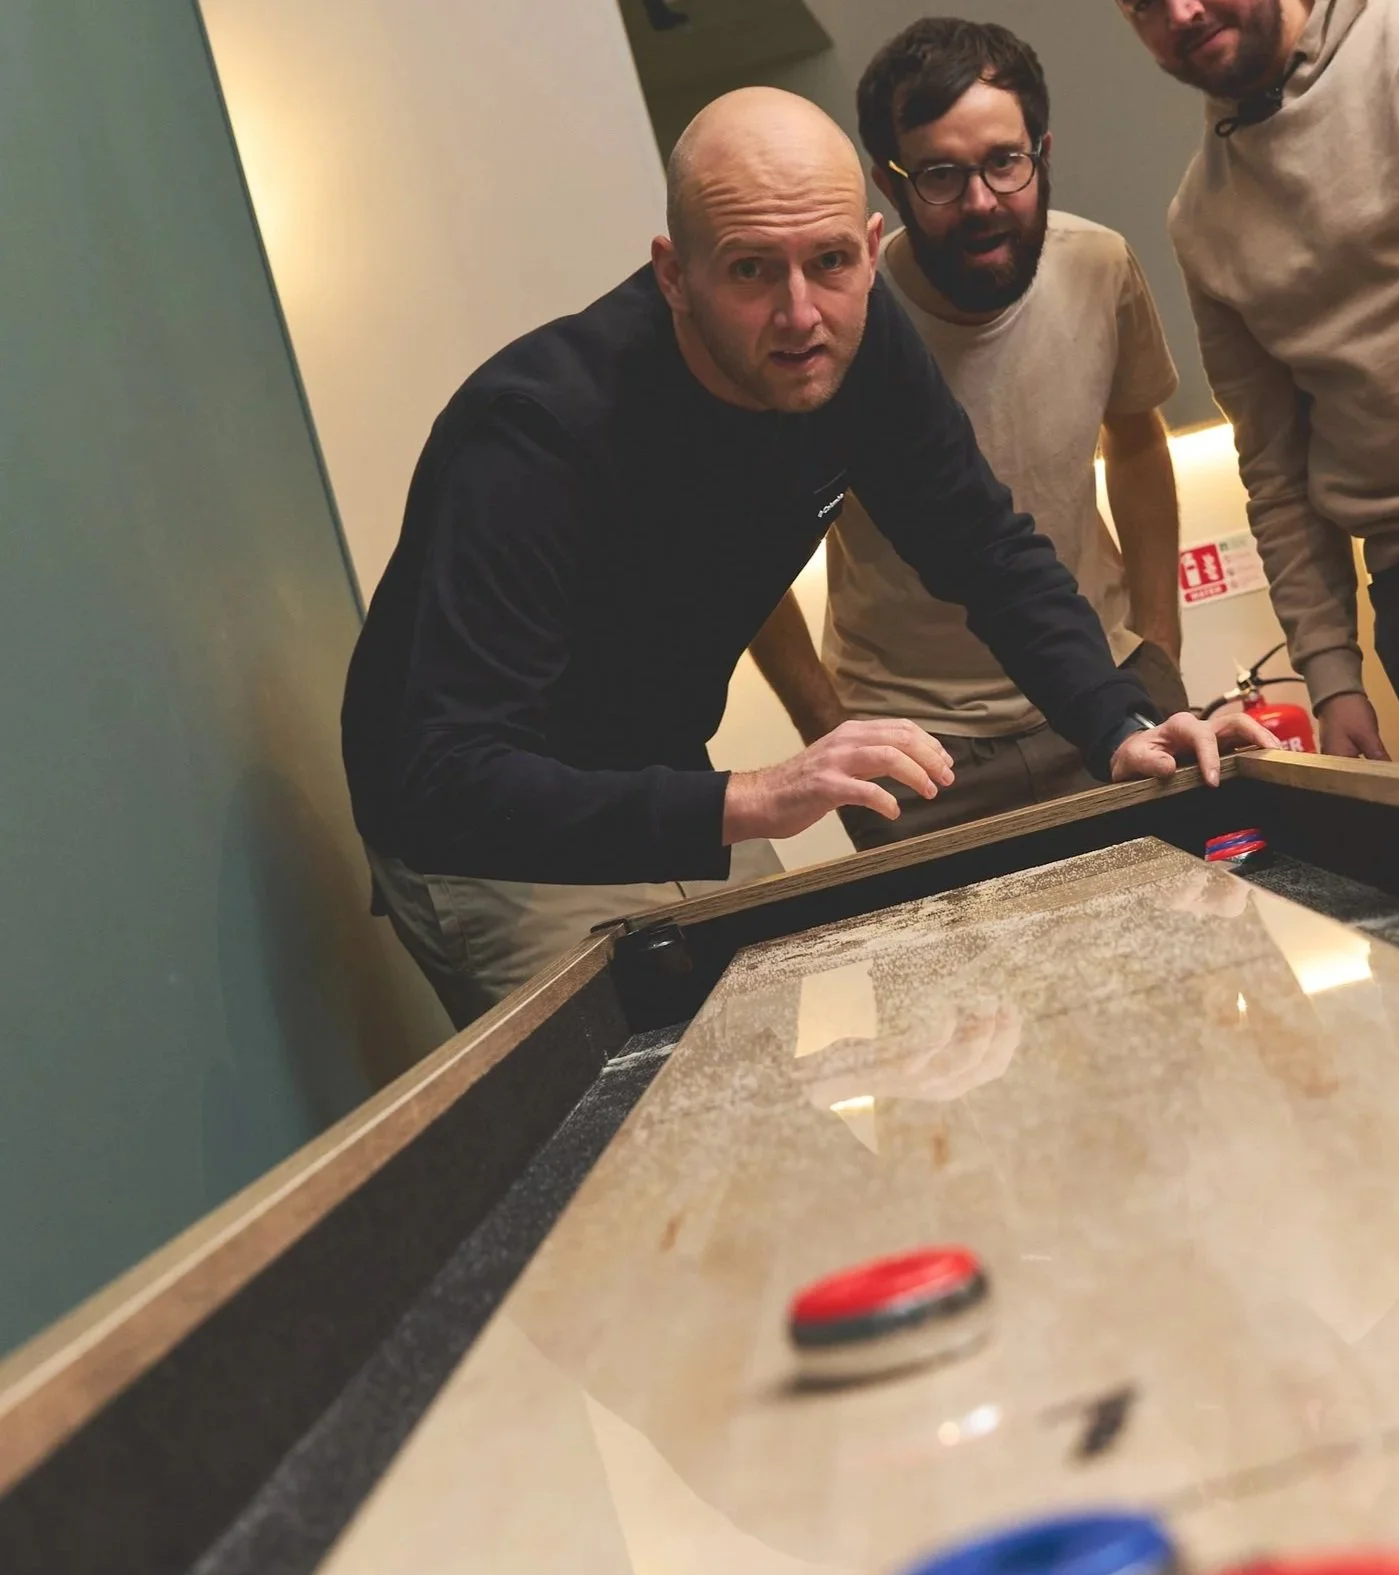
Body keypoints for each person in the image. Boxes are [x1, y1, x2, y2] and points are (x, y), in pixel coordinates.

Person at [342, 86, 1264, 1024]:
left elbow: (983, 546)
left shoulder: (859, 345)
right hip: (494, 826)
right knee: (641, 1120)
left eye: (829, 262)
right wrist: (754, 795)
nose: (799, 316)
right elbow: (442, 777)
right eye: (749, 270)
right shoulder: (537, 433)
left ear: (870, 250)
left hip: (661, 771)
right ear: (672, 274)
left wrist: (1119, 722)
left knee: (765, 1061)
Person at [749, 16, 1189, 847]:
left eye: (1003, 163)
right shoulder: (830, 328)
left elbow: (1135, 440)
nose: (982, 201)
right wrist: (826, 726)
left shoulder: (1099, 267)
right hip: (920, 758)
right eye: (942, 175)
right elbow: (742, 553)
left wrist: (1157, 647)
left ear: (1041, 152)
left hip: (1107, 698)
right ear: (891, 185)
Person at [1118, 0, 1399, 777]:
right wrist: (1329, 678)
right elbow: (1272, 465)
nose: (1182, 12)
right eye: (1145, 5)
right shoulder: (1199, 215)